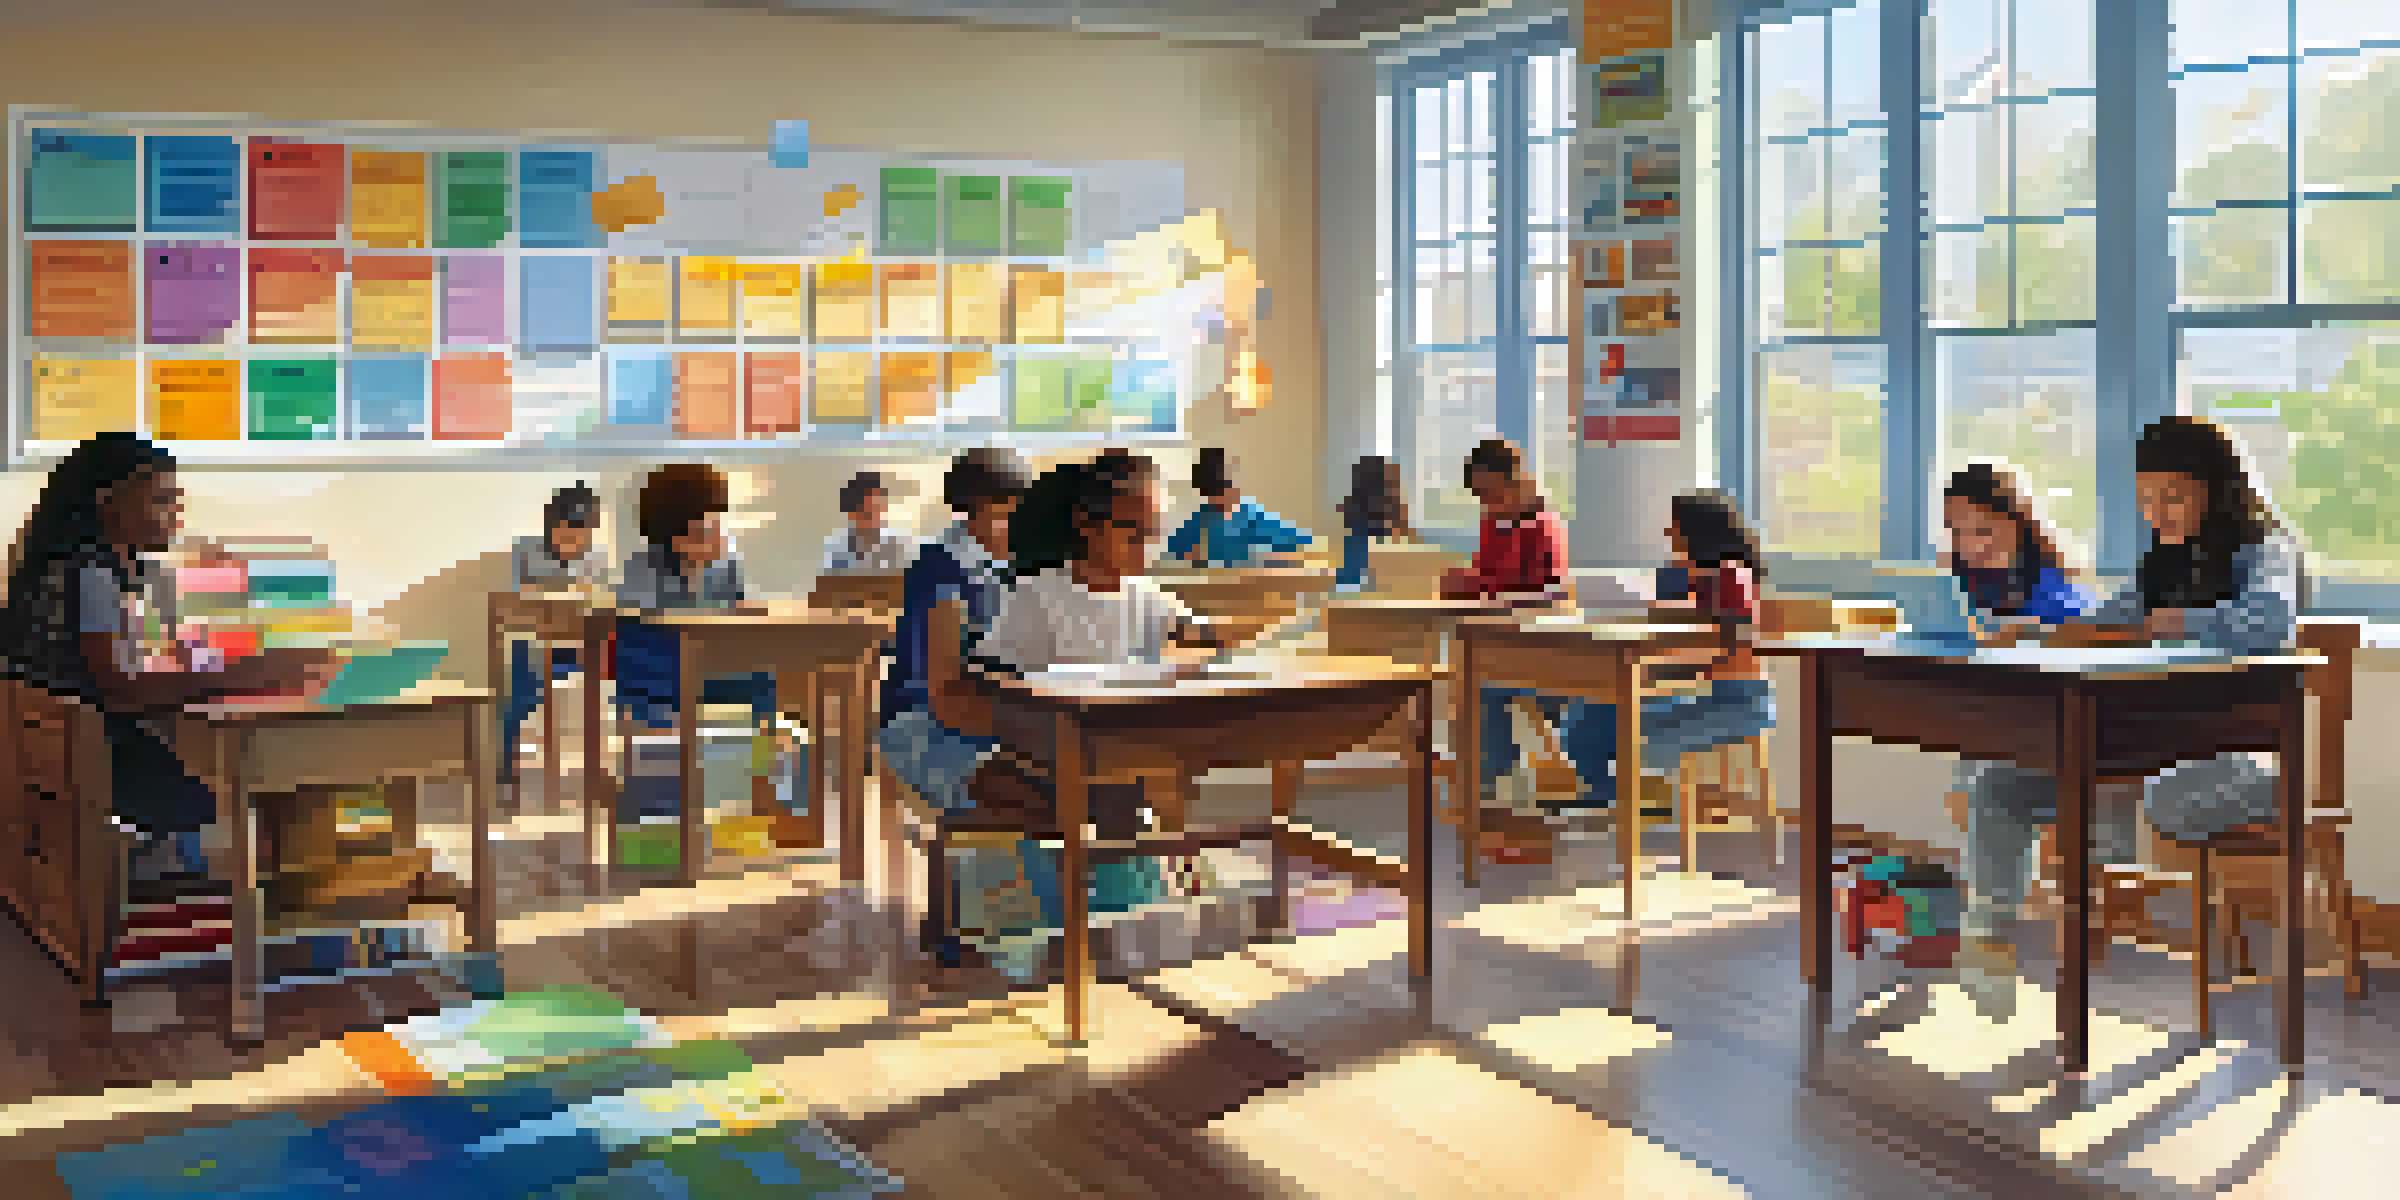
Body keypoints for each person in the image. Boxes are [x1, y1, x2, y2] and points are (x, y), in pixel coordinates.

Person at [1955, 416, 2303, 1020]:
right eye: (2146, 498)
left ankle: (2261, 793)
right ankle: (1990, 942)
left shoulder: (2265, 549)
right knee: (1997, 787)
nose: (2156, 511)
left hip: (2225, 750)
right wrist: (2043, 632)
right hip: (2149, 752)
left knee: (2166, 800)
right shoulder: (2162, 560)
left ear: (2216, 488)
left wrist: (2164, 624)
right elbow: (2111, 618)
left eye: (2172, 495)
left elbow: (2268, 623)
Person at [0, 433, 333, 881]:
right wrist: (243, 673)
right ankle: (292, 900)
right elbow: (120, 692)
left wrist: (213, 664)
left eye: (176, 500)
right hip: (102, 759)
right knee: (280, 771)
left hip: (64, 757)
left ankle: (276, 893)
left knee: (259, 761)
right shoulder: (92, 576)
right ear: (108, 502)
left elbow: (132, 666)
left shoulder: (70, 568)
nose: (175, 514)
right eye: (160, 500)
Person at [955, 451, 1224, 970]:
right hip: (1053, 742)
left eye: (1155, 533)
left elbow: (1202, 635)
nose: (1147, 547)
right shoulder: (1040, 593)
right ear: (1087, 526)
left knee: (1138, 790)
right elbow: (990, 673)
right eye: (1134, 532)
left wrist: (1204, 644)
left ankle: (1122, 917)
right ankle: (1086, 925)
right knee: (1111, 801)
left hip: (1122, 745)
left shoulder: (1149, 596)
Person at [1558, 491, 1777, 810]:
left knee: (1617, 726)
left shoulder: (1731, 576)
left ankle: (1638, 802)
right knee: (1586, 712)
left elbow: (1726, 647)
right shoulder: (1685, 575)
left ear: (1696, 530)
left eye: (1674, 526)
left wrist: (1672, 623)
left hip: (1739, 702)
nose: (1668, 533)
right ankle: (1612, 798)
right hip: (1692, 689)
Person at [1439, 439, 1573, 811]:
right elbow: (1490, 578)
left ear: (1515, 482)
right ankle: (1493, 781)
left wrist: (1474, 584)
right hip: (1506, 641)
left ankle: (1493, 783)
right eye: (1479, 495)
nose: (1486, 502)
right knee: (1474, 680)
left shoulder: (1541, 524)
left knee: (1483, 688)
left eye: (1491, 493)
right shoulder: (1494, 521)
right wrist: (1470, 583)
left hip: (1543, 650)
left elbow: (1542, 591)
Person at [614, 462, 776, 736]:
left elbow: (739, 612)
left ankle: (759, 766)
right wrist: (697, 568)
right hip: (660, 675)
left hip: (706, 671)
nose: (716, 525)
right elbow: (642, 634)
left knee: (763, 682)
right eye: (706, 518)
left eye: (716, 516)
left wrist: (744, 610)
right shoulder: (642, 566)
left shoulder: (725, 564)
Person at [499, 482, 603, 785]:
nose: (574, 543)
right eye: (567, 533)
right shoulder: (526, 551)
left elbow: (603, 605)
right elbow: (512, 604)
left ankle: (613, 764)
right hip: (534, 644)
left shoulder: (596, 559)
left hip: (582, 646)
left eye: (582, 535)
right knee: (521, 688)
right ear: (551, 526)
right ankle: (506, 761)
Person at [1165, 447, 1312, 567]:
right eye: (1212, 494)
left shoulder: (1253, 517)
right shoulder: (1199, 522)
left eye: (1222, 490)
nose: (1218, 500)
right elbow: (1173, 552)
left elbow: (1298, 543)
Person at [1335, 455, 1414, 591]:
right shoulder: (1379, 491)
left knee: (1357, 551)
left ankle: (1353, 584)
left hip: (1366, 524)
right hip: (1367, 525)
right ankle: (1353, 584)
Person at [820, 471, 914, 572]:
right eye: (869, 513)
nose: (877, 518)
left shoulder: (897, 544)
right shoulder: (837, 546)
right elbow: (830, 582)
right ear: (852, 513)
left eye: (879, 509)